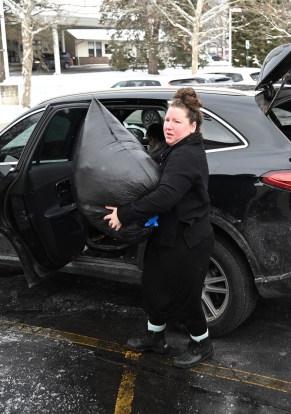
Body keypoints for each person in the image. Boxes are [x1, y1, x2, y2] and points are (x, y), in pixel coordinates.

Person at [103, 87, 215, 369]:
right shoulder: (173, 149)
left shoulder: (187, 155)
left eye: (176, 122)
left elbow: (166, 195)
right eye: (167, 120)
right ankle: (155, 338)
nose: (169, 126)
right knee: (154, 286)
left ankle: (202, 343)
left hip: (188, 240)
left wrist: (125, 214)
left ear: (192, 125)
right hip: (168, 235)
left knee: (184, 295)